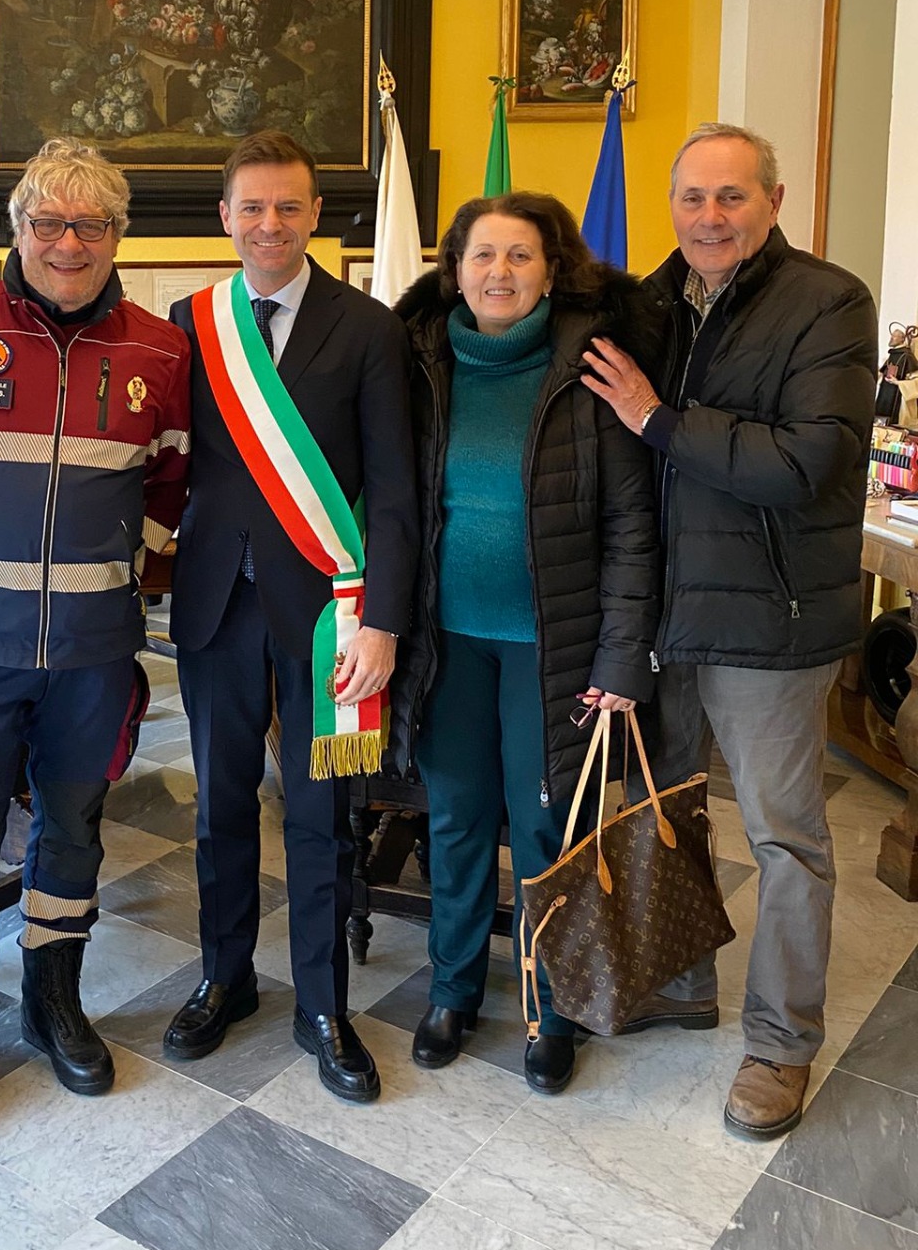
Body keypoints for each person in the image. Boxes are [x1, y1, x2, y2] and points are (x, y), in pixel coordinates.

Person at [0, 137, 190, 1154]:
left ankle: (54, 999)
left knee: (73, 833)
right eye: (49, 223)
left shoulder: (158, 351)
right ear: (17, 228)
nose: (69, 243)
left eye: (91, 225)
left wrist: (129, 571)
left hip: (93, 654)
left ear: (118, 238)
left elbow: (170, 482)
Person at [582, 123, 877, 1140]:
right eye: (693, 197)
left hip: (770, 620)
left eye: (732, 196)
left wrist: (658, 417)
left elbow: (806, 464)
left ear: (774, 202)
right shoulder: (647, 303)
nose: (709, 217)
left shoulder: (829, 302)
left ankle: (781, 1043)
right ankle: (680, 981)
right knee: (664, 808)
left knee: (785, 837)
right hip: (664, 613)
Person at [162, 131, 417, 1104]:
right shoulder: (190, 323)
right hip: (215, 602)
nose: (270, 223)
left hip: (329, 614)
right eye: (253, 207)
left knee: (321, 814)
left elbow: (392, 488)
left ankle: (323, 1005)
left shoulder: (370, 327)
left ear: (316, 216)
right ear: (226, 217)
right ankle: (224, 978)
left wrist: (383, 619)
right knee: (221, 804)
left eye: (288, 206)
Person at [388, 194, 660, 1095]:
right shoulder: (419, 362)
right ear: (454, 269)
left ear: (552, 271)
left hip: (555, 647)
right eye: (481, 255)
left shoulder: (592, 368)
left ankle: (555, 1003)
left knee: (548, 826)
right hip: (446, 644)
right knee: (457, 818)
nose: (498, 272)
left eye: (519, 256)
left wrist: (622, 656)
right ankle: (453, 990)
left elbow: (631, 527)